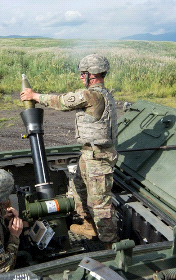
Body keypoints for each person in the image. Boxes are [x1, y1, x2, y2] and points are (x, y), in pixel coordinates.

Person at [20, 54, 118, 248]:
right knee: (78, 191)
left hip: (98, 158)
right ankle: (90, 227)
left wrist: (35, 97)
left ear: (93, 75)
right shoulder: (102, 93)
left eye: (84, 74)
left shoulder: (93, 95)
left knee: (100, 204)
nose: (82, 77)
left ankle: (110, 245)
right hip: (89, 154)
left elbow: (64, 101)